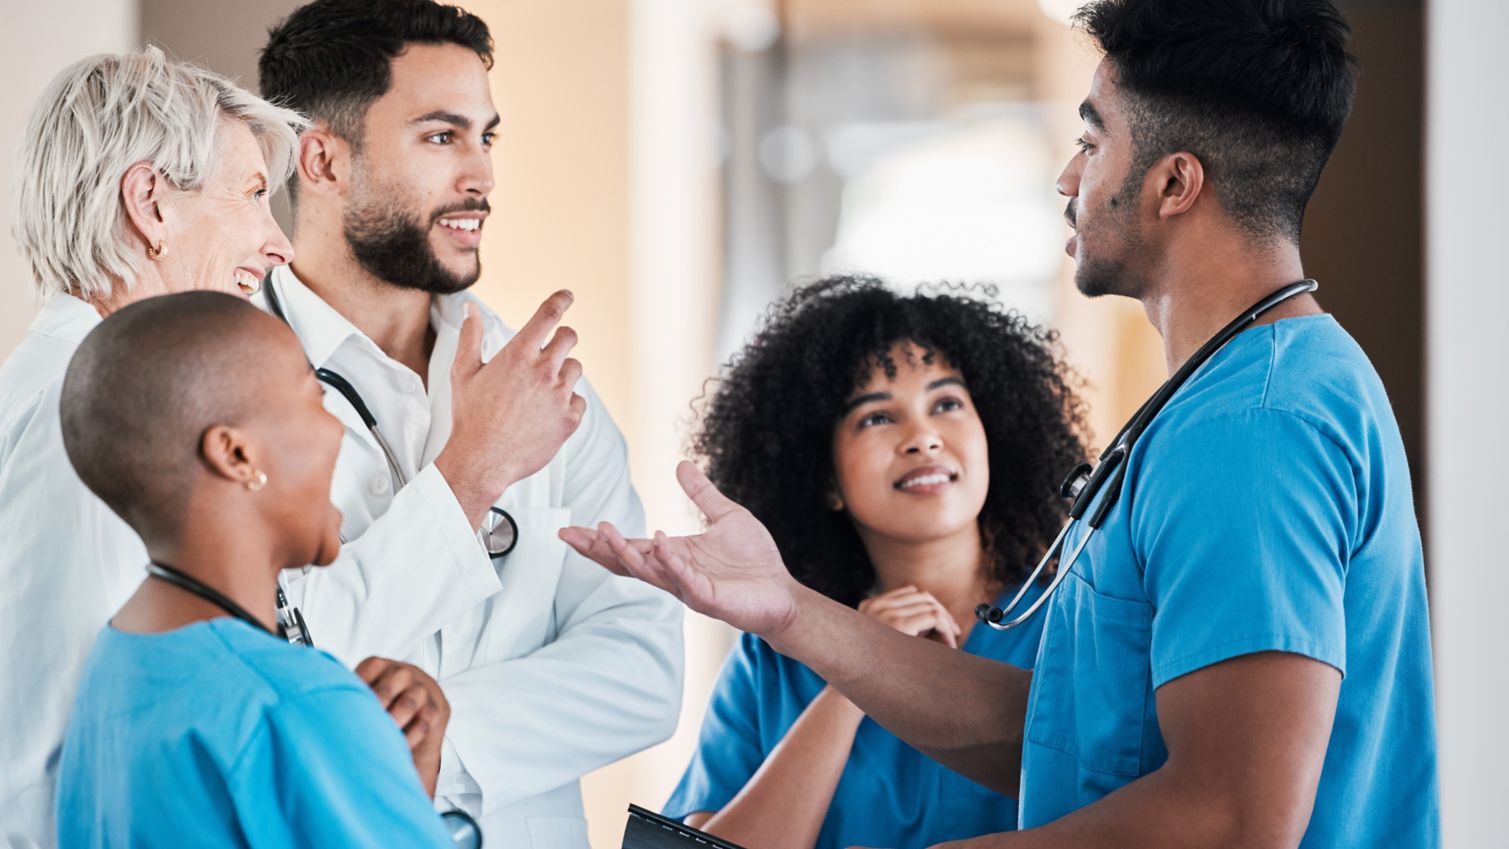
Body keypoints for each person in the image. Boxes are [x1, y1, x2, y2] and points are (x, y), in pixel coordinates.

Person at [563, 1, 1440, 847]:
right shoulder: (1224, 401)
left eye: (1091, 142)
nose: (1067, 177)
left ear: (1174, 184)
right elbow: (1066, 739)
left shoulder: (1252, 426)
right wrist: (790, 610)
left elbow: (1229, 820)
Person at [256, 1, 682, 842]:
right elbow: (262, 673)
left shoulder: (546, 387)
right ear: (322, 159)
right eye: (441, 136)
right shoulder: (220, 386)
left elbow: (645, 667)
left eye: (487, 137)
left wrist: (452, 728)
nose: (481, 176)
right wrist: (467, 477)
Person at [661, 277, 1089, 849]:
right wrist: (852, 677)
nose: (923, 437)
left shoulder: (1080, 620)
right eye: (876, 418)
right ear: (826, 480)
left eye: (947, 404)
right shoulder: (774, 658)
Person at [0, 47, 305, 848]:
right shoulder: (80, 416)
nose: (282, 247)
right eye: (252, 195)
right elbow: (37, 768)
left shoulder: (87, 393)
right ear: (151, 204)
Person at [53, 291, 455, 848]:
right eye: (315, 400)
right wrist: (397, 794)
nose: (338, 429)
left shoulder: (117, 665)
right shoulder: (297, 707)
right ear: (236, 456)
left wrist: (378, 793)